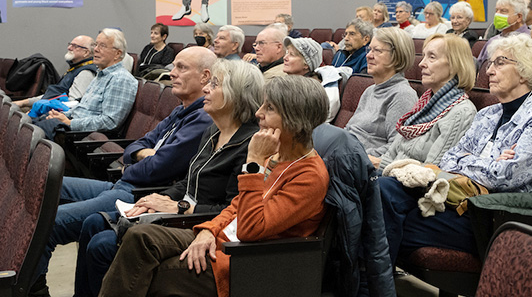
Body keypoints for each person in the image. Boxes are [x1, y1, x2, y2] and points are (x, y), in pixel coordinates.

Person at [97, 75, 330, 297]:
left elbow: (250, 229)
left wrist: (254, 165)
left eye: (269, 108)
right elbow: (236, 205)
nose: (258, 113)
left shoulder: (309, 176)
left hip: (247, 260)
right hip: (222, 238)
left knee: (158, 271)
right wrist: (208, 230)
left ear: (294, 119)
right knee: (140, 236)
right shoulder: (275, 155)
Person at [29, 47, 218, 296]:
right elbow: (136, 146)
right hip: (125, 181)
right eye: (173, 66)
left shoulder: (203, 118)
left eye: (181, 67)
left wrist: (143, 156)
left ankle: (30, 289)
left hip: (139, 192)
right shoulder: (180, 109)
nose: (172, 73)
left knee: (50, 222)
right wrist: (143, 154)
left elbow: (157, 168)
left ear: (205, 76)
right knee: (45, 183)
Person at [74, 59, 264, 297]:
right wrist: (156, 198)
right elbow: (187, 181)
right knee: (93, 222)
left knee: (102, 246)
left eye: (215, 85)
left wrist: (179, 206)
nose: (206, 89)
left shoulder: (249, 144)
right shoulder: (213, 130)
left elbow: (231, 210)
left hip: (197, 221)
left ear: (238, 94)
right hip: (177, 213)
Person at [380, 33, 532, 265]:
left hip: (493, 216)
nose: (489, 71)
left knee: (388, 221)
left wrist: (472, 161)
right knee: (385, 189)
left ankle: (372, 285)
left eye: (500, 62)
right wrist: (492, 160)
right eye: (490, 63)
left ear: (525, 71)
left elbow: (505, 176)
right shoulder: (488, 114)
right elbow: (449, 160)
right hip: (461, 200)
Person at [372, 33, 477, 170]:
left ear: (454, 65)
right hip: (388, 177)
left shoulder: (462, 113)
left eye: (431, 57)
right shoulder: (425, 103)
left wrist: (380, 167)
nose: (421, 64)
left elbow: (429, 172)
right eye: (423, 56)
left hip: (410, 187)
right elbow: (390, 155)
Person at [33, 28, 138, 141]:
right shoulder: (101, 75)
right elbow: (83, 108)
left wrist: (70, 123)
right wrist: (63, 115)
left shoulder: (120, 79)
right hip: (75, 126)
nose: (96, 49)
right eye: (96, 45)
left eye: (102, 46)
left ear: (117, 54)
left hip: (83, 137)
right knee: (32, 124)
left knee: (33, 134)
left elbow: (110, 122)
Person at [346, 27, 418, 158]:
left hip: (362, 163)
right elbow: (349, 129)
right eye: (369, 49)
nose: (368, 55)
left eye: (377, 50)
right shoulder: (369, 90)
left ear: (396, 57)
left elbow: (395, 147)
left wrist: (355, 156)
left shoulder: (402, 95)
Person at [13, 35, 96, 109]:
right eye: (70, 44)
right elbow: (53, 95)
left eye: (75, 46)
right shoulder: (75, 68)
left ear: (86, 52)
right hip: (46, 107)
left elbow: (71, 104)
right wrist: (24, 102)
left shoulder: (85, 73)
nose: (69, 48)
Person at [282, 37, 340, 122]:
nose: (285, 57)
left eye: (292, 54)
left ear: (306, 64)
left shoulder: (311, 93)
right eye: (286, 53)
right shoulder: (287, 83)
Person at [476, 0, 529, 68]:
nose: (497, 14)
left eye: (503, 11)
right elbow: (480, 69)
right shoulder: (492, 41)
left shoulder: (530, 41)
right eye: (496, 10)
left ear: (519, 17)